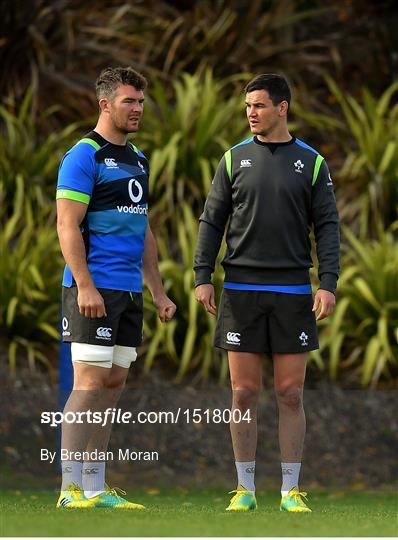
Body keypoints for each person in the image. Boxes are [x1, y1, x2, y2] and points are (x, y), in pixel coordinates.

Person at [194, 74, 339, 512]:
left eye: (258, 105)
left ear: (282, 108)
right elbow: (211, 220)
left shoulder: (312, 162)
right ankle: (245, 489)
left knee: (290, 393)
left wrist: (327, 284)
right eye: (246, 107)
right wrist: (203, 274)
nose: (251, 114)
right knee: (242, 393)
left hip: (294, 291)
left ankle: (290, 491)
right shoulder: (234, 159)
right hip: (240, 290)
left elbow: (328, 226)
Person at [56, 67, 176, 509]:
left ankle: (95, 487)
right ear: (105, 104)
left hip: (127, 292)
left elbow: (142, 230)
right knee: (87, 385)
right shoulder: (82, 156)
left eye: (141, 101)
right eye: (130, 101)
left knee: (113, 385)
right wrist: (85, 285)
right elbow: (67, 226)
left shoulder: (138, 160)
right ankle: (69, 489)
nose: (138, 108)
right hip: (94, 289)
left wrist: (158, 291)